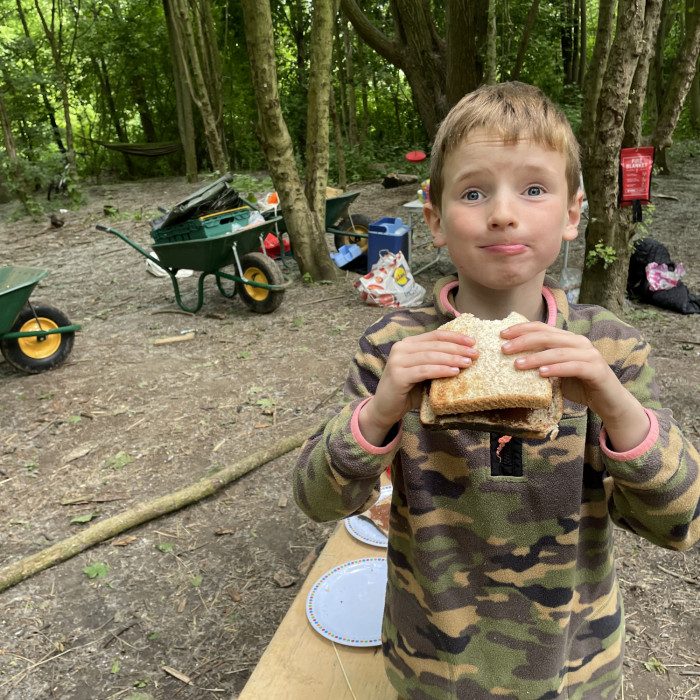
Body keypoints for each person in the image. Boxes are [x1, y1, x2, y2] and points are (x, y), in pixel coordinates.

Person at [292, 82, 700, 699]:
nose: (503, 212)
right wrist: (380, 414)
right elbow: (320, 501)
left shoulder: (610, 351)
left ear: (571, 213)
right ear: (433, 218)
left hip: (574, 669)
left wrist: (615, 405)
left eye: (533, 189)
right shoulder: (393, 348)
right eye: (474, 191)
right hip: (433, 667)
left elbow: (681, 523)